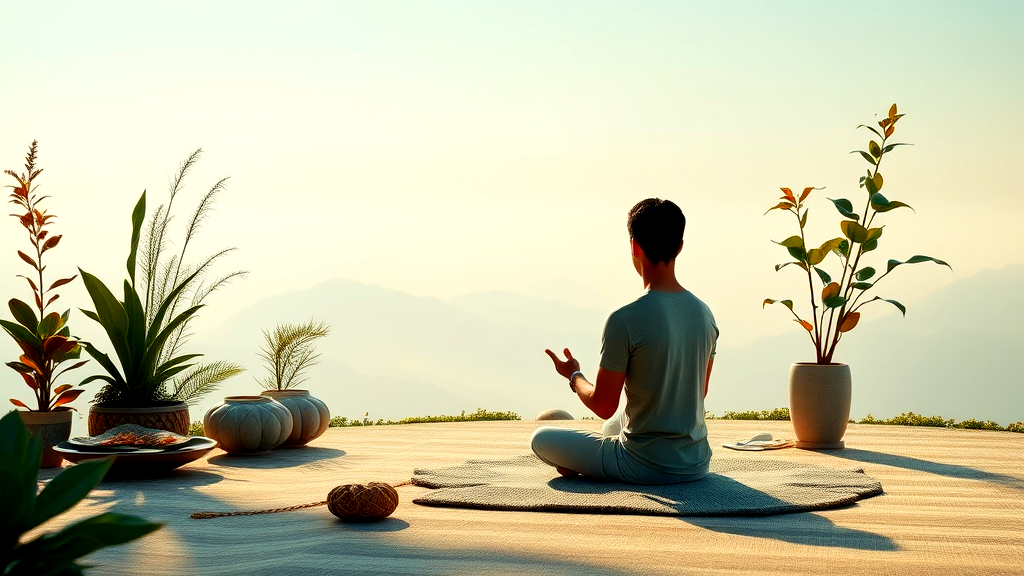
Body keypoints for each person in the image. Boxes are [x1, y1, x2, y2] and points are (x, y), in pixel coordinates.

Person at [532, 198, 719, 484]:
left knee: (541, 439)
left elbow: (603, 403)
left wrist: (574, 375)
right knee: (612, 425)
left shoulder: (625, 319)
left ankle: (590, 463)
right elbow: (699, 391)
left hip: (643, 465)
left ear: (634, 246)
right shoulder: (704, 314)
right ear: (680, 246)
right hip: (696, 463)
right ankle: (590, 457)